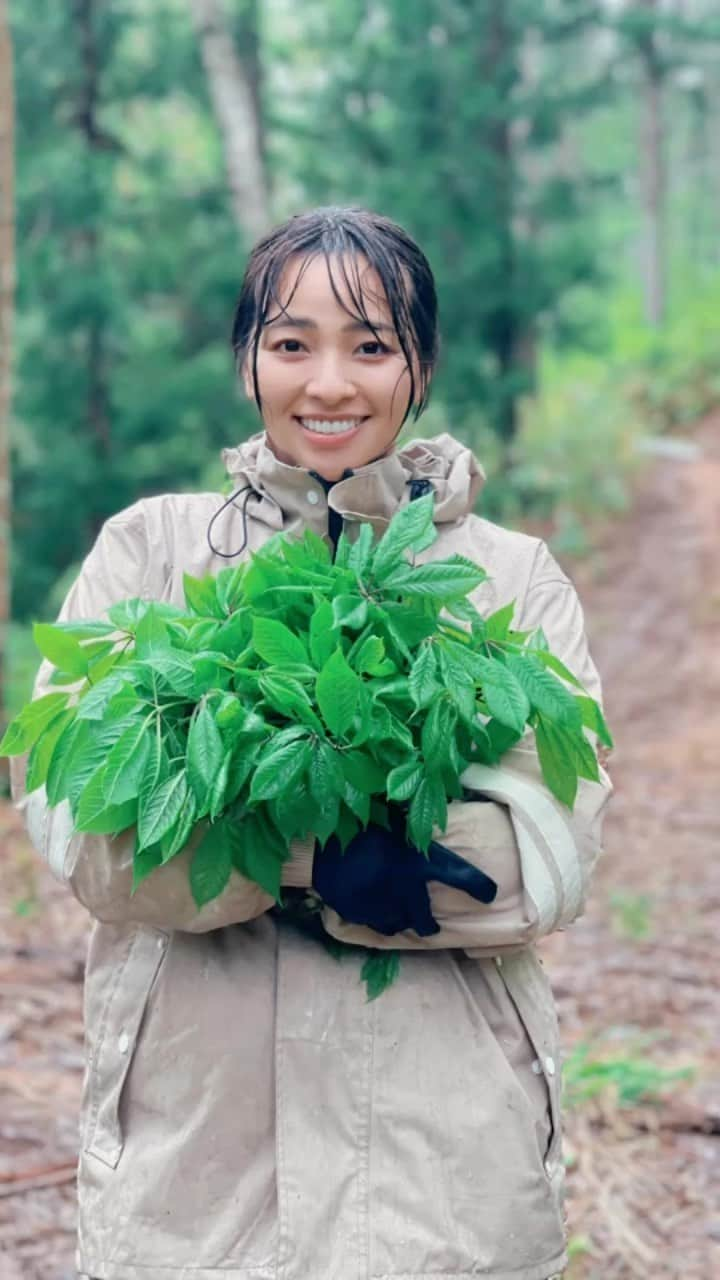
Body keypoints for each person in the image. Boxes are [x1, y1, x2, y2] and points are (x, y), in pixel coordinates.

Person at [11, 206, 612, 1280]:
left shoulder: (509, 580)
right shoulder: (150, 553)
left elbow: (543, 857)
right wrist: (339, 850)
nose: (328, 382)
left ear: (419, 362)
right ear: (248, 358)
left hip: (447, 1177)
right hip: (195, 1176)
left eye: (370, 345)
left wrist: (237, 824)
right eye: (292, 342)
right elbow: (95, 834)